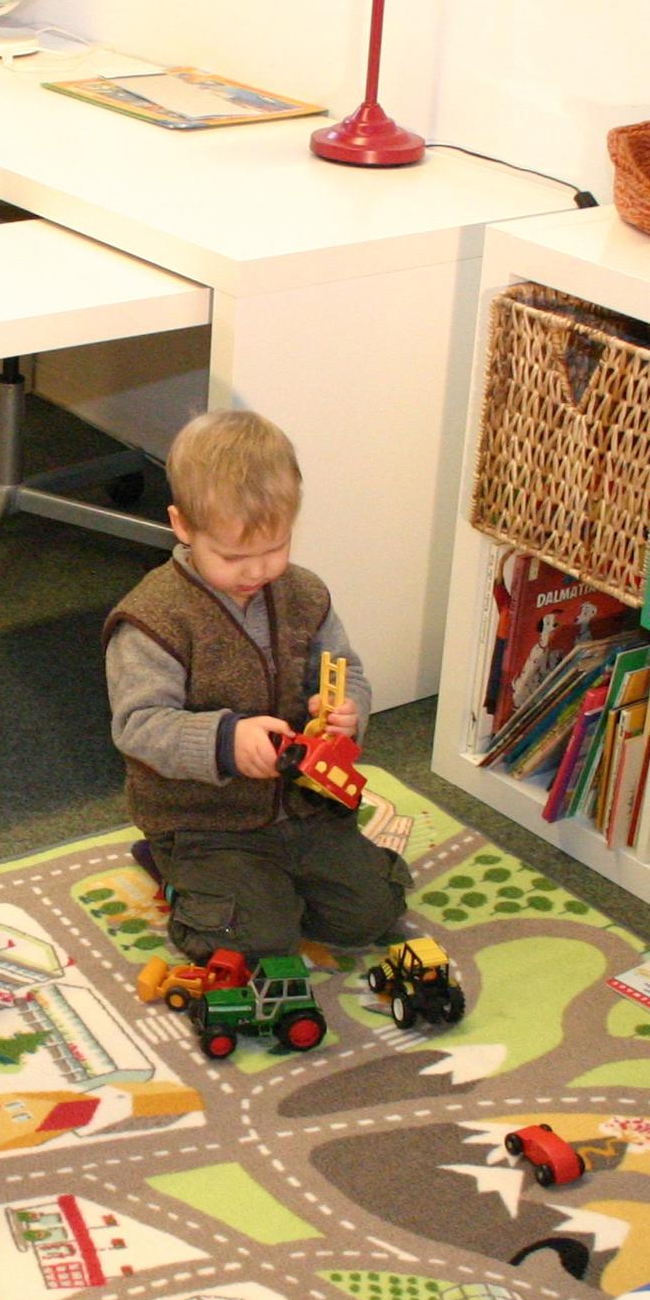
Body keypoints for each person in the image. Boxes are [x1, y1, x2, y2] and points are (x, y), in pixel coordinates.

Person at [103, 409, 411, 961]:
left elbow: (349, 672)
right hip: (205, 821)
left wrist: (348, 711)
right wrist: (225, 743)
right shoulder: (153, 619)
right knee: (259, 942)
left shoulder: (305, 593)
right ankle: (174, 869)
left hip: (306, 808)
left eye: (275, 549)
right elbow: (138, 726)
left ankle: (279, 884)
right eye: (232, 556)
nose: (256, 571)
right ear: (182, 526)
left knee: (371, 917)